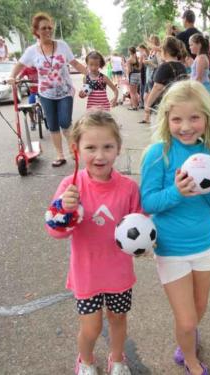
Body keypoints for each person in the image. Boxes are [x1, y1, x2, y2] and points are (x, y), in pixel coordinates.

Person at [140, 80, 210, 375]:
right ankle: (190, 358)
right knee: (188, 319)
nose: (186, 126)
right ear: (166, 119)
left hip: (204, 245)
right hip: (172, 248)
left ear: (206, 117)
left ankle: (187, 339)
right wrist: (177, 192)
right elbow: (149, 202)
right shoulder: (159, 153)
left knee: (199, 307)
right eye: (177, 119)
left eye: (194, 118)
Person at [45, 111, 140, 375]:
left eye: (108, 147)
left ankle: (117, 359)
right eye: (91, 148)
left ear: (118, 148)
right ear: (76, 150)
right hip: (86, 274)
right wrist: (66, 210)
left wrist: (144, 242)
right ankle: (85, 361)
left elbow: (139, 225)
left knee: (119, 318)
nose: (100, 155)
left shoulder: (129, 188)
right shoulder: (70, 187)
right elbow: (56, 232)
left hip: (119, 273)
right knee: (91, 327)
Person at [9, 12, 87, 167]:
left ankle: (73, 151)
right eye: (43, 28)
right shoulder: (32, 51)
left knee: (65, 122)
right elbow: (19, 65)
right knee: (52, 124)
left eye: (49, 28)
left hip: (65, 91)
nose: (47, 31)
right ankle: (60, 155)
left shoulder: (62, 46)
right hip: (45, 93)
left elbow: (75, 64)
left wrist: (91, 74)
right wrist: (12, 76)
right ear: (36, 31)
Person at [141, 36, 187, 124]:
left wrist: (148, 105)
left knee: (160, 135)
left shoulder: (164, 67)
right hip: (179, 104)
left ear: (165, 51)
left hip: (163, 107)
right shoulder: (182, 66)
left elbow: (157, 87)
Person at [17, 65, 39, 130]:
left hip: (43, 91)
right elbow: (20, 76)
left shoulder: (40, 67)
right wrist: (18, 80)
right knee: (30, 106)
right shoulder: (27, 68)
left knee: (48, 105)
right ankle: (32, 121)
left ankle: (49, 118)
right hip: (33, 91)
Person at [126, 47, 141, 111]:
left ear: (130, 51)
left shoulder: (129, 60)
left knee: (132, 92)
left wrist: (127, 77)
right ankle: (137, 105)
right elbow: (139, 68)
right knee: (136, 92)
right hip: (138, 75)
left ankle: (135, 107)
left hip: (132, 75)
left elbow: (129, 70)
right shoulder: (136, 58)